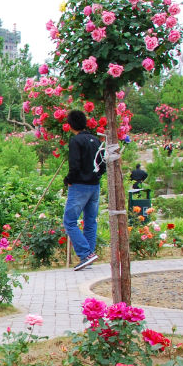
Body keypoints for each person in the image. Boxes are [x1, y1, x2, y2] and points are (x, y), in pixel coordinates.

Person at [62, 109, 105, 271]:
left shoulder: (76, 141)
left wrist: (69, 180)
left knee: (70, 221)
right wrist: (96, 176)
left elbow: (75, 165)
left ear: (71, 124)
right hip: (95, 186)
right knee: (90, 221)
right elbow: (103, 164)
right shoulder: (95, 140)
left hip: (79, 186)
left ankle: (85, 253)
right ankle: (89, 256)